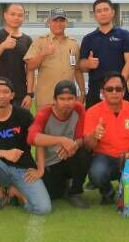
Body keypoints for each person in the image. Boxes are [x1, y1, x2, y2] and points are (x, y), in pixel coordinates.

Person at [0, 78, 51, 215]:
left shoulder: (23, 115)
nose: (1, 95)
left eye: (5, 92)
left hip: (23, 169)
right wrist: (5, 153)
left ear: (12, 95)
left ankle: (14, 192)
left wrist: (40, 169)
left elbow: (38, 140)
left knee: (43, 209)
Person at [82, 71, 129, 205]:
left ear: (124, 91)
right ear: (102, 92)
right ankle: (108, 193)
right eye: (109, 89)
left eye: (118, 89)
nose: (114, 92)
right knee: (96, 172)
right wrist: (94, 135)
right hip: (104, 157)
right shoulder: (92, 112)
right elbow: (88, 146)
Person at [28, 80, 90, 209]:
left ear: (76, 99)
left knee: (84, 153)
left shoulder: (79, 109)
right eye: (62, 99)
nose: (66, 103)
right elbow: (32, 138)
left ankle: (75, 192)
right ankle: (65, 184)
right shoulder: (44, 113)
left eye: (70, 98)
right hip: (51, 162)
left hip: (69, 156)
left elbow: (81, 138)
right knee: (52, 195)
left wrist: (73, 145)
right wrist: (61, 140)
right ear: (55, 100)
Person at [78, 0, 129, 107]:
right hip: (95, 93)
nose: (103, 13)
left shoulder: (124, 35)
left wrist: (118, 86)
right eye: (99, 11)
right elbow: (81, 66)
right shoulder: (88, 39)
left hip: (118, 92)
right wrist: (88, 64)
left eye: (106, 10)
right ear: (95, 15)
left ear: (112, 12)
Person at [23, 9, 82, 108]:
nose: (58, 24)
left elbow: (77, 70)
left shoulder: (74, 44)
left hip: (68, 99)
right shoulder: (40, 41)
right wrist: (43, 53)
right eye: (55, 20)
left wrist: (82, 91)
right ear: (48, 22)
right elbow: (30, 66)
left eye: (61, 20)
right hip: (46, 99)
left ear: (66, 22)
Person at [0, 3, 33, 107]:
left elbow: (30, 69)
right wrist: (3, 46)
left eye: (20, 15)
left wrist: (29, 94)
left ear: (23, 18)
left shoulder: (27, 40)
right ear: (5, 15)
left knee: (20, 118)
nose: (16, 17)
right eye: (13, 14)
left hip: (20, 93)